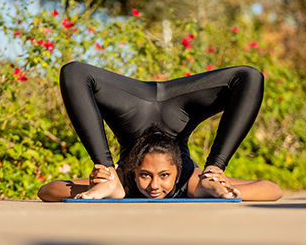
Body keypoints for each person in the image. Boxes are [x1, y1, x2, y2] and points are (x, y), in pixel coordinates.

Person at [37, 61, 283, 202]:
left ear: (178, 172)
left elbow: (48, 190)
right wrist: (224, 190)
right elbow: (271, 189)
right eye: (145, 175)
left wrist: (216, 179)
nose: (155, 186)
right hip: (177, 113)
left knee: (250, 77)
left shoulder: (128, 181)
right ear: (134, 172)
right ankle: (106, 168)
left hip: (134, 115)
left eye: (164, 175)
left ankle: (216, 166)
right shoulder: (193, 183)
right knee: (73, 71)